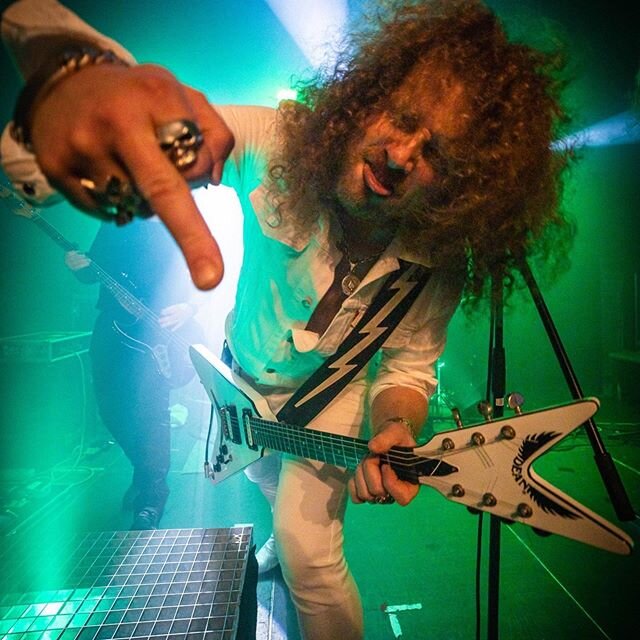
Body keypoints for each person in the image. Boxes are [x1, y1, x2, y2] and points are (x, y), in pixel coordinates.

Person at [0, 1, 573, 638]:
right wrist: (82, 89)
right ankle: (276, 534)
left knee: (310, 554)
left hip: (331, 394)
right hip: (241, 374)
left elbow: (409, 369)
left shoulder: (436, 259)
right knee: (273, 483)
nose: (402, 154)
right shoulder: (280, 143)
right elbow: (173, 127)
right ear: (365, 100)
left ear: (464, 186)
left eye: (436, 152)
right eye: (404, 118)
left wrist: (394, 426)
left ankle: (293, 555)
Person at [64, 217, 203, 531]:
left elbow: (209, 273)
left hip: (160, 328)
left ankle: (153, 494)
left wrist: (190, 308)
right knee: (110, 410)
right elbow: (93, 270)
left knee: (151, 412)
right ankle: (144, 470)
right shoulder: (116, 222)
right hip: (113, 326)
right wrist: (77, 265)